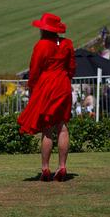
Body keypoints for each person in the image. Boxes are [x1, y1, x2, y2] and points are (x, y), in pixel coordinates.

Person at [17, 13, 76, 182]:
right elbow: (71, 67)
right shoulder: (67, 43)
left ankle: (45, 168)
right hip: (63, 84)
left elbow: (34, 69)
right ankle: (62, 166)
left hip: (47, 85)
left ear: (44, 29)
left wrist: (32, 87)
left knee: (47, 129)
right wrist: (65, 77)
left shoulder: (41, 45)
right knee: (62, 127)